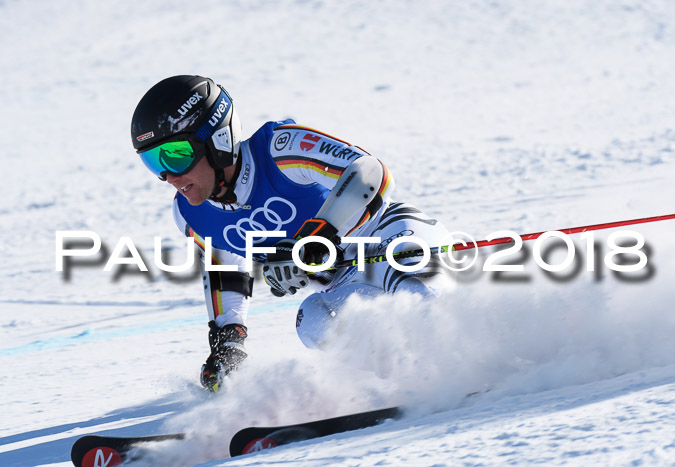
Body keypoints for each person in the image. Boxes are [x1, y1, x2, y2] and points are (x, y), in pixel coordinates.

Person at [130, 75, 454, 392]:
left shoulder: (279, 150)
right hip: (348, 284)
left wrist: (318, 235)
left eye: (175, 155)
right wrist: (229, 342)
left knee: (411, 289)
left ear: (218, 140)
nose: (169, 176)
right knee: (315, 321)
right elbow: (226, 270)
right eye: (153, 162)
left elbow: (370, 171)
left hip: (398, 242)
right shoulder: (190, 213)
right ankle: (405, 382)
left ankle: (465, 349)